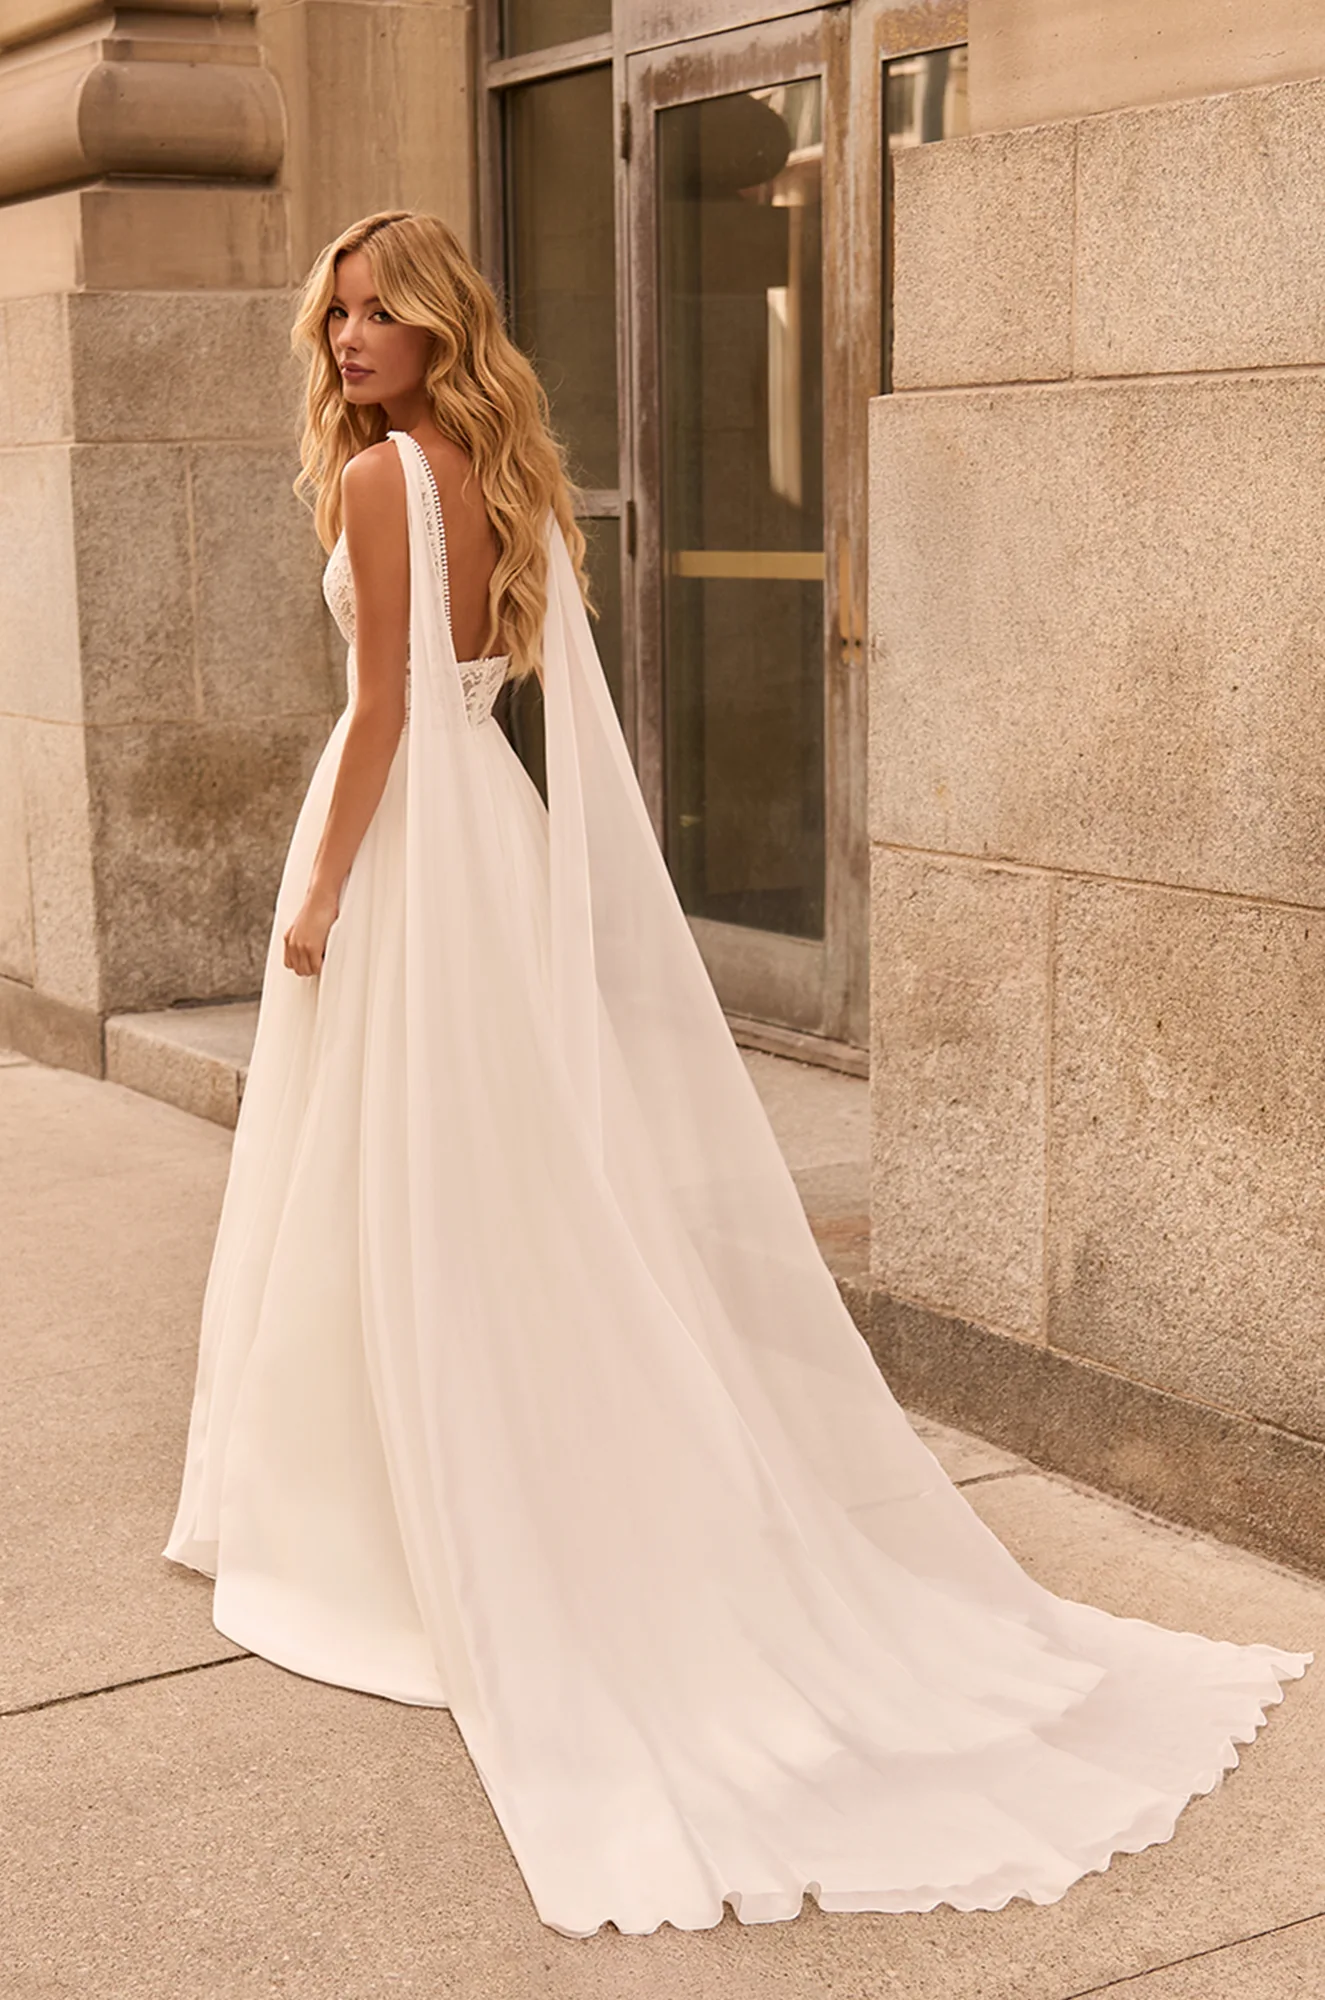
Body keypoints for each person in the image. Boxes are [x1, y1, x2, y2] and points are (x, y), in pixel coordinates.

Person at [163, 208, 1309, 1940]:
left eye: (373, 316)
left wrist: (318, 889)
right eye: (333, 317)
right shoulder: (496, 462)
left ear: (432, 323)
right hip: (479, 827)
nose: (343, 343)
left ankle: (385, 1518)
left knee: (388, 1163)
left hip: (403, 836)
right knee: (464, 1168)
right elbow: (478, 687)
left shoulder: (396, 476)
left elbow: (389, 706)